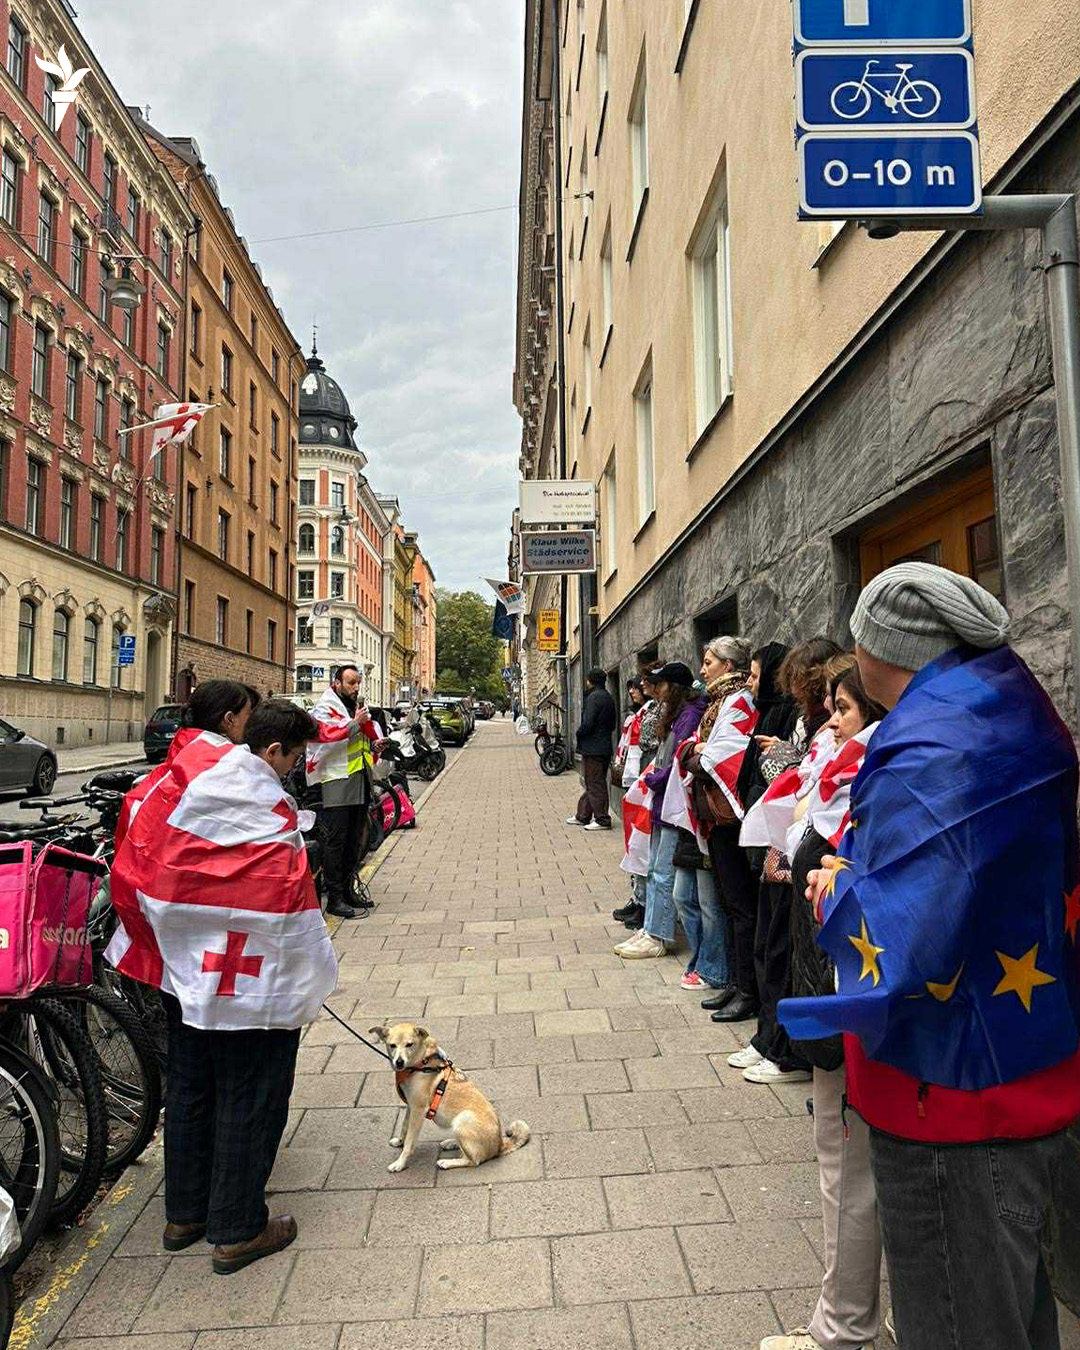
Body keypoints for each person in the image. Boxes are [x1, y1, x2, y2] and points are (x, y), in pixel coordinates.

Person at [781, 563, 1080, 1350]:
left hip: (949, 1089)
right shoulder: (1000, 702)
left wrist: (835, 891)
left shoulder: (931, 742)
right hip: (1019, 1058)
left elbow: (909, 935)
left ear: (883, 650)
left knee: (956, 1319)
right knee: (1011, 1313)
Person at [107, 699, 337, 1275]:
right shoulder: (263, 807)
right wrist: (306, 977)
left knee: (191, 1086)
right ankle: (238, 1228)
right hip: (247, 985)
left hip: (185, 975)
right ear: (273, 750)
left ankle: (184, 1215)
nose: (295, 768)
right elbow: (290, 910)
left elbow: (149, 870)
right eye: (295, 757)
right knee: (250, 1090)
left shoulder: (194, 785)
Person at [761, 660, 886, 1350]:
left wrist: (820, 872)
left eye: (844, 708)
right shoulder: (854, 769)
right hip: (844, 992)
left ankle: (842, 1326)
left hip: (853, 996)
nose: (831, 722)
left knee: (846, 1167)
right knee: (860, 1164)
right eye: (832, 708)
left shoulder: (870, 771)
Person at [740, 637, 841, 1082]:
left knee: (787, 953)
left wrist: (785, 760)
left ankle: (790, 1050)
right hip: (784, 849)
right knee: (771, 947)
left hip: (803, 855)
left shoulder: (825, 729)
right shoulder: (805, 722)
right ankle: (772, 1039)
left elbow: (817, 784)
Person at [700, 643, 791, 1022]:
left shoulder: (769, 711)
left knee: (745, 909)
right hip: (736, 818)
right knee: (733, 906)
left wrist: (699, 755)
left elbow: (730, 759)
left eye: (756, 676)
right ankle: (739, 983)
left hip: (747, 822)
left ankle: (749, 991)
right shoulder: (755, 708)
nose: (751, 683)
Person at [669, 637, 751, 991]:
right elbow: (689, 750)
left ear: (728, 665)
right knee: (718, 900)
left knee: (730, 903)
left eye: (709, 662)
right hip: (710, 816)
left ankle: (730, 978)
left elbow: (711, 759)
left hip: (726, 814)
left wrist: (693, 752)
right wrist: (693, 750)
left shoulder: (738, 702)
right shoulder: (716, 703)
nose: (702, 670)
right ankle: (728, 976)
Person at [615, 662, 706, 959]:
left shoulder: (689, 715)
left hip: (672, 802)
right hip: (662, 799)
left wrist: (655, 779)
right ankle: (652, 927)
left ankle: (659, 934)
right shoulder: (675, 713)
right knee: (654, 868)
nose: (657, 689)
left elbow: (678, 760)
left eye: (662, 684)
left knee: (663, 871)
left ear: (675, 687)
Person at [116, 681, 261, 849]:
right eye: (249, 715)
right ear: (229, 719)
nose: (252, 724)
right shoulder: (228, 768)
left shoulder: (179, 759)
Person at [306, 665, 383, 919]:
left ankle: (349, 890)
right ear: (337, 683)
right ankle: (335, 898)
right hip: (337, 780)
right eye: (351, 682)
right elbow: (325, 737)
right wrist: (355, 723)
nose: (356, 687)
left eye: (358, 682)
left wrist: (374, 744)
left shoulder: (354, 707)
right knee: (336, 842)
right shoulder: (326, 706)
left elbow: (359, 738)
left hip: (359, 779)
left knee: (354, 840)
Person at [613, 669, 663, 929]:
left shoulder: (659, 710)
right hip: (639, 775)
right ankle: (638, 899)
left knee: (644, 844)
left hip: (650, 774)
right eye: (633, 686)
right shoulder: (644, 711)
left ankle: (645, 905)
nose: (636, 689)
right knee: (636, 841)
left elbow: (653, 742)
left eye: (640, 684)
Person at [567, 668, 618, 830]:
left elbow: (588, 723)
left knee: (595, 783)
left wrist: (579, 733)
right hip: (604, 746)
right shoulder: (608, 697)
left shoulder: (593, 697)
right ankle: (583, 815)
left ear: (590, 681)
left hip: (593, 747)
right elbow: (612, 724)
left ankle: (602, 819)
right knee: (593, 781)